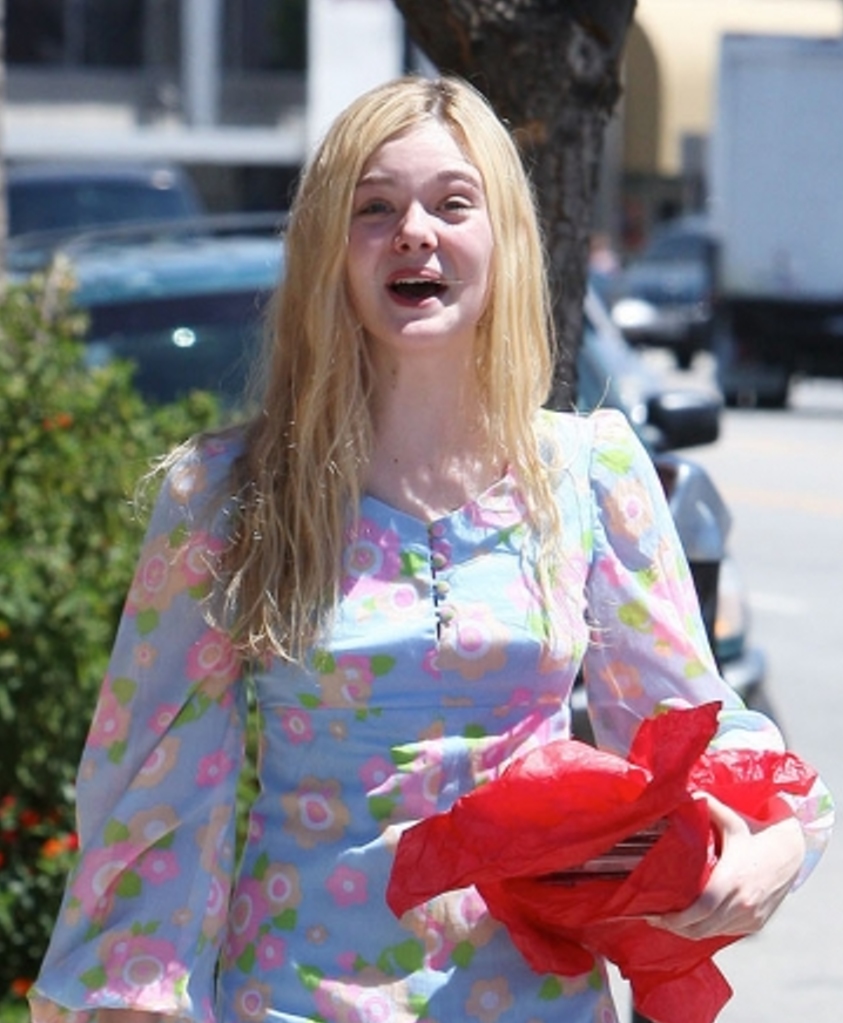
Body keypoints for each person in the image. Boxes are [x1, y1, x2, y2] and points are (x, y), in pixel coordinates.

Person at [30, 75, 832, 1023]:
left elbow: (686, 724)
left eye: (453, 203)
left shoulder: (590, 473)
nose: (414, 232)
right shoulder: (225, 493)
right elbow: (158, 793)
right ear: (329, 249)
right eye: (374, 208)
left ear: (504, 239)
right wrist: (136, 1001)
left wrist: (773, 845)